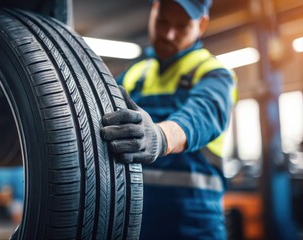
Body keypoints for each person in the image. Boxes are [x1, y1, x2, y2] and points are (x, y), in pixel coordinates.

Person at [100, 0, 237, 239]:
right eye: (163, 21)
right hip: (136, 221)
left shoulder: (214, 74)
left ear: (201, 25)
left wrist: (161, 136)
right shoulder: (134, 75)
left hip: (194, 223)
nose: (168, 34)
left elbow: (202, 114)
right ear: (154, 10)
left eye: (182, 26)